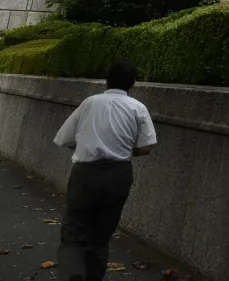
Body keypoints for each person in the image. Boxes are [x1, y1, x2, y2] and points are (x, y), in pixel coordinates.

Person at [53, 59, 157, 281]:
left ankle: (73, 276)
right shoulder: (138, 108)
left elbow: (64, 138)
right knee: (101, 235)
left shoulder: (90, 103)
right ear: (133, 84)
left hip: (86, 174)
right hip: (119, 175)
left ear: (106, 81)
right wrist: (124, 150)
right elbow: (147, 147)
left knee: (74, 231)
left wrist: (86, 145)